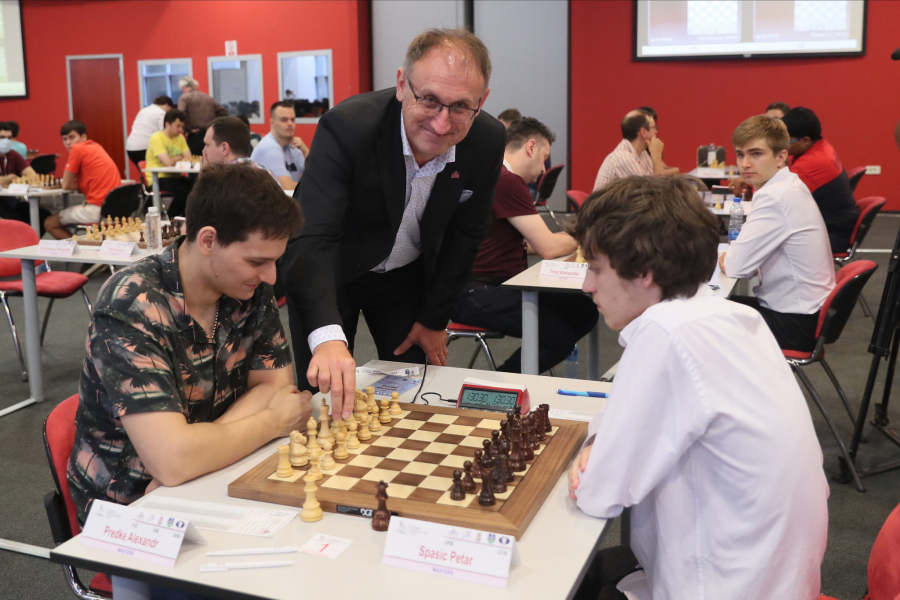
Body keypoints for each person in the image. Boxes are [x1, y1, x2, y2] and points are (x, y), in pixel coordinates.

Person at [568, 175, 829, 600]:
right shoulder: (733, 316)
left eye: (595, 269)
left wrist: (595, 448)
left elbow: (598, 493)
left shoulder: (666, 333)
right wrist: (603, 439)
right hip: (774, 575)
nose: (586, 286)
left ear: (644, 273)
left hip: (717, 585)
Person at [67, 163, 310, 531]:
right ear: (208, 240)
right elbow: (172, 459)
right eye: (257, 261)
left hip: (208, 472)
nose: (271, 277)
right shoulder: (131, 303)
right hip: (132, 507)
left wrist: (194, 455)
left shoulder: (248, 288)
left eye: (275, 261)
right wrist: (272, 423)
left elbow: (275, 387)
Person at [282, 27, 506, 420]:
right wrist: (328, 338)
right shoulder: (347, 128)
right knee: (323, 397)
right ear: (402, 84)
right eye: (430, 100)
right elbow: (313, 238)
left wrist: (435, 318)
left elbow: (466, 234)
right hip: (331, 274)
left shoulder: (486, 140)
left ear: (482, 102)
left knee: (422, 391)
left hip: (405, 276)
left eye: (460, 107)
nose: (441, 123)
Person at [451, 117, 597, 373]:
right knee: (557, 336)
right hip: (475, 293)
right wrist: (593, 235)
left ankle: (521, 377)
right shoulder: (506, 179)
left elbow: (509, 243)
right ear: (530, 147)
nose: (543, 170)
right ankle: (501, 387)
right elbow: (548, 248)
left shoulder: (491, 171)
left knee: (583, 310)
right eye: (544, 159)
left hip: (488, 285)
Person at [719, 115, 835, 352]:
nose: (745, 164)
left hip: (794, 323)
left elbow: (736, 268)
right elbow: (748, 267)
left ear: (781, 157)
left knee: (696, 320)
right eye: (740, 154)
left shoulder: (775, 197)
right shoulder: (788, 185)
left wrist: (727, 258)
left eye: (756, 154)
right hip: (804, 315)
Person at [781, 106, 859, 253]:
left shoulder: (810, 164)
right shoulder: (822, 146)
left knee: (770, 239)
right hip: (832, 225)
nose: (783, 146)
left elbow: (780, 199)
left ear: (805, 140)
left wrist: (752, 183)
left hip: (832, 236)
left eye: (787, 141)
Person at [44, 121, 120, 240]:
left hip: (98, 209)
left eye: (72, 137)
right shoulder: (96, 146)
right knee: (64, 218)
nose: (68, 142)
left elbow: (66, 185)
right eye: (64, 139)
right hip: (116, 208)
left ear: (83, 136)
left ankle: (79, 252)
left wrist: (65, 184)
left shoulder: (77, 149)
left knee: (50, 222)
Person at [593, 110, 668, 191]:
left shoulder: (642, 153)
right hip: (607, 204)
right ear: (643, 132)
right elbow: (654, 193)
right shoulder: (623, 158)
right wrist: (656, 155)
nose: (656, 132)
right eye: (654, 128)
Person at [250, 101, 309, 191]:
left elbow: (308, 178)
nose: (290, 124)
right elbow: (287, 188)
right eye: (284, 120)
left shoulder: (293, 147)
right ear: (272, 123)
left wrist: (306, 151)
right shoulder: (270, 148)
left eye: (292, 120)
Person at [145, 109, 194, 218]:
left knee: (197, 187)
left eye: (182, 126)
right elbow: (168, 162)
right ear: (167, 124)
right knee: (185, 191)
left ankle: (185, 217)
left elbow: (189, 157)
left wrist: (176, 158)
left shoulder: (180, 137)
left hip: (175, 177)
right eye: (177, 126)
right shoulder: (156, 138)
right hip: (158, 178)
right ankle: (172, 218)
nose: (181, 130)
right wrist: (180, 157)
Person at [177, 76, 228, 156]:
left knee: (196, 161)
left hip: (194, 136)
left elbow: (180, 114)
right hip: (210, 135)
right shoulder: (207, 97)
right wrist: (215, 126)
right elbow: (223, 111)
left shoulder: (184, 98)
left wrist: (188, 129)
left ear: (183, 87)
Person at [126, 95, 174, 174]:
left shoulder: (144, 110)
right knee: (154, 175)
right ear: (166, 105)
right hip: (145, 147)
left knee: (145, 175)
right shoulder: (161, 113)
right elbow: (163, 133)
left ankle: (146, 185)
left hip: (131, 148)